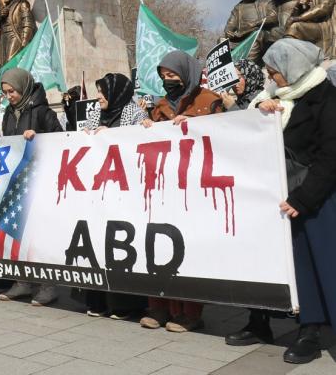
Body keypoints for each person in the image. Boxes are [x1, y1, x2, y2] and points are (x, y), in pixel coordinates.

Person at [234, 39, 336, 364]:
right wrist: (261, 114)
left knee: (314, 265)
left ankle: (313, 329)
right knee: (274, 261)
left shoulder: (326, 98)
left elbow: (331, 156)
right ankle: (265, 321)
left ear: (293, 68)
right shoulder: (274, 97)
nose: (271, 77)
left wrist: (304, 198)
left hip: (313, 199)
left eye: (275, 71)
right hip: (278, 195)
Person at [139, 50, 223, 333]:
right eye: (164, 76)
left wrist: (194, 124)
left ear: (186, 74)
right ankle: (159, 306)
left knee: (188, 248)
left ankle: (189, 312)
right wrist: (148, 127)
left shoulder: (209, 101)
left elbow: (224, 135)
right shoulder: (161, 105)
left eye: (173, 75)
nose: (168, 80)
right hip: (164, 186)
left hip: (194, 186)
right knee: (158, 244)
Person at [0, 68, 63, 303]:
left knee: (41, 234)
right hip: (19, 181)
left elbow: (61, 138)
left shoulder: (43, 112)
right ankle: (22, 282)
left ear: (24, 87)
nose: (9, 96)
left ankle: (48, 285)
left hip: (41, 179)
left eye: (12, 91)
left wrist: (38, 137)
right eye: (5, 92)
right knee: (19, 232)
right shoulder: (9, 114)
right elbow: (10, 142)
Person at [80, 73, 149, 319]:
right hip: (99, 193)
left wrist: (113, 136)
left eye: (102, 92)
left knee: (121, 244)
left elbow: (141, 145)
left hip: (125, 194)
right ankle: (97, 300)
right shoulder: (94, 116)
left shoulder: (136, 114)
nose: (98, 97)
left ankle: (126, 304)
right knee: (98, 243)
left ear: (117, 92)